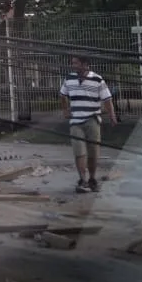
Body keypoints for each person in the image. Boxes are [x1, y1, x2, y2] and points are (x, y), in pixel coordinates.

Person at [60, 55, 117, 194]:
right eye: (72, 63)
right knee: (79, 152)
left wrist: (112, 116)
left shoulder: (97, 79)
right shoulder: (69, 79)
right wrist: (65, 110)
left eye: (76, 63)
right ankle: (82, 180)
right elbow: (63, 95)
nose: (73, 65)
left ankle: (92, 179)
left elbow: (107, 100)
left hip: (92, 119)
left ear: (85, 64)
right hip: (76, 121)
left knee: (93, 153)